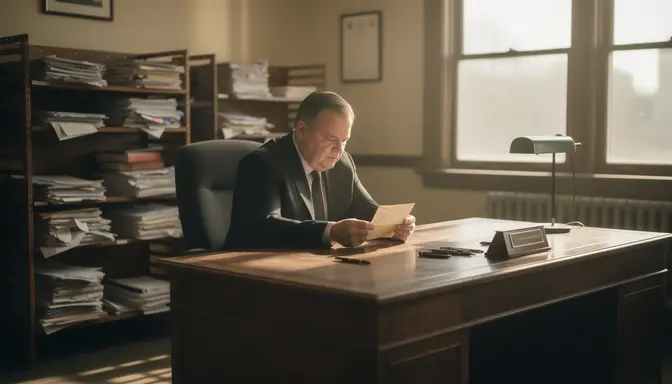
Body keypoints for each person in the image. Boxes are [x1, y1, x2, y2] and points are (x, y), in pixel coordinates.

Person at [225, 91, 415, 250]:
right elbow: (264, 227)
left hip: (315, 270)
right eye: (331, 139)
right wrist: (330, 232)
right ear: (301, 130)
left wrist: (395, 225)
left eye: (345, 140)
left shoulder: (343, 163)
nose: (339, 150)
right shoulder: (262, 163)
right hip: (252, 276)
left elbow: (368, 212)